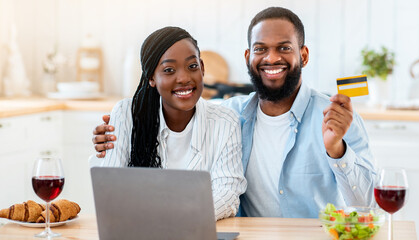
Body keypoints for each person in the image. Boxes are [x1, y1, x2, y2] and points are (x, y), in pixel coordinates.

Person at [92, 7, 376, 218]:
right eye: (261, 49)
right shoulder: (231, 115)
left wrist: (336, 149)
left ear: (302, 55)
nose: (271, 58)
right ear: (248, 57)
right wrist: (116, 134)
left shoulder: (336, 118)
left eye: (284, 48)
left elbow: (368, 203)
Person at [96, 26, 246, 221]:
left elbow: (227, 193)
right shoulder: (127, 115)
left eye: (192, 66)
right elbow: (111, 190)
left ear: (202, 67)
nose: (184, 78)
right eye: (169, 70)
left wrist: (175, 216)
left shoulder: (225, 121)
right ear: (151, 78)